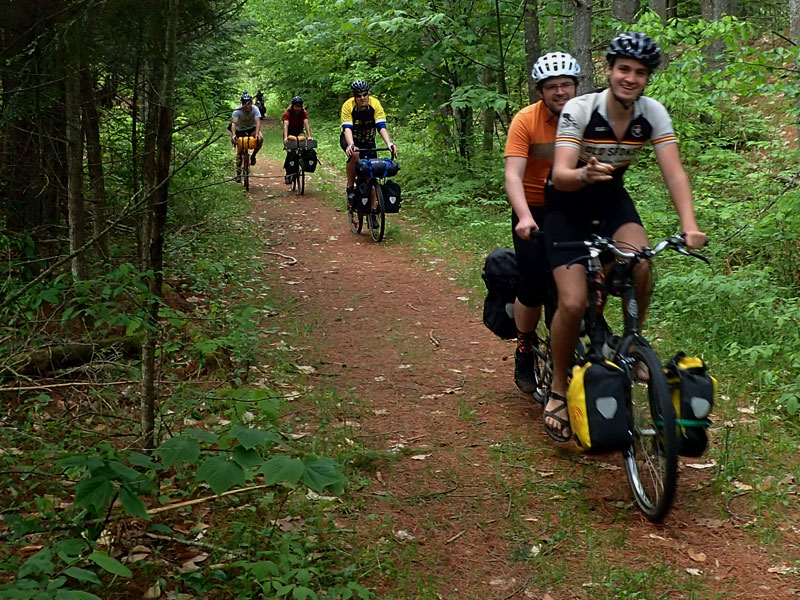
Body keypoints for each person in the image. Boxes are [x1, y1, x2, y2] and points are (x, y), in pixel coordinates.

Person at [542, 32, 707, 442]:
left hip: (611, 198)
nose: (630, 78)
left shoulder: (652, 113)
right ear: (610, 71)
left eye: (640, 73)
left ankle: (633, 343)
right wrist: (582, 173)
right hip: (566, 202)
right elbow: (560, 173)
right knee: (574, 300)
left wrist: (689, 225)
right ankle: (558, 388)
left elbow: (673, 171)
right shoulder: (580, 109)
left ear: (647, 78)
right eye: (623, 70)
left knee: (642, 261)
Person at [504, 52, 580, 401]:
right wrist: (524, 216)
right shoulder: (525, 121)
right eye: (552, 87)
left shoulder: (589, 118)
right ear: (541, 92)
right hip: (534, 207)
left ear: (576, 86)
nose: (560, 91)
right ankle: (524, 345)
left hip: (573, 207)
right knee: (533, 283)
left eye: (566, 85)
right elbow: (513, 174)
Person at [340, 80, 397, 228]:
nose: (362, 98)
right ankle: (350, 187)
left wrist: (389, 143)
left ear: (368, 94)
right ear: (354, 97)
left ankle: (372, 213)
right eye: (359, 96)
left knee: (371, 175)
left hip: (368, 139)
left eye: (365, 94)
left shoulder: (375, 104)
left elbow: (381, 126)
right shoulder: (348, 106)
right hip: (351, 138)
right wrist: (351, 145)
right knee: (355, 154)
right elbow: (347, 129)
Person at [231, 91, 263, 181]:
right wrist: (233, 135)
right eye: (244, 103)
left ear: (251, 103)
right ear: (242, 103)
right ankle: (238, 173)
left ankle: (253, 156)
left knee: (260, 138)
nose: (246, 105)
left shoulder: (255, 109)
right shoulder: (237, 111)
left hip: (251, 129)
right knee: (239, 152)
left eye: (248, 103)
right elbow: (234, 123)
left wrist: (256, 134)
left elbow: (257, 122)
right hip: (240, 130)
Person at [282, 96, 313, 184]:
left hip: (299, 131)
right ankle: (288, 173)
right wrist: (285, 138)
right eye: (296, 106)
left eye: (299, 106)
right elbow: (285, 126)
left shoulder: (304, 112)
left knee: (303, 146)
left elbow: (306, 124)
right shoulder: (287, 113)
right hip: (289, 133)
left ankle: (301, 162)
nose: (298, 108)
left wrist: (309, 136)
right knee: (290, 152)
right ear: (292, 106)